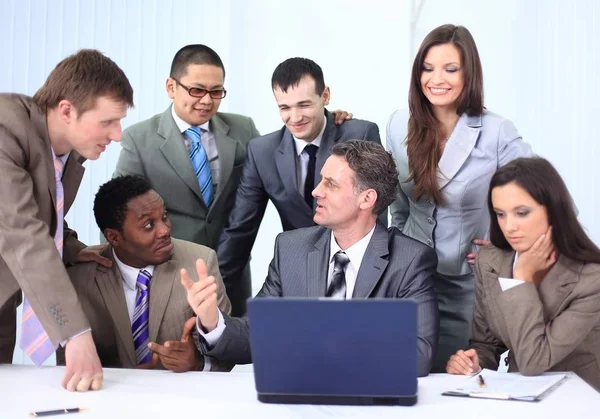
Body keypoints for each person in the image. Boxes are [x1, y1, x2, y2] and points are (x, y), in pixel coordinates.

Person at [114, 46, 350, 317]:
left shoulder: (243, 130)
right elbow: (120, 214)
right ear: (171, 87)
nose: (207, 100)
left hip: (231, 274)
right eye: (196, 90)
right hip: (168, 271)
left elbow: (284, 157)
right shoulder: (139, 139)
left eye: (216, 91)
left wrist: (331, 121)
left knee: (226, 351)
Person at [187, 140, 439, 377]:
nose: (316, 191)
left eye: (331, 184)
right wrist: (212, 321)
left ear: (367, 199)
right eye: (321, 180)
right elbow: (259, 333)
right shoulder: (291, 249)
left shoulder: (410, 260)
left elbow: (418, 354)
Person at [386, 24, 533, 371]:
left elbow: (538, 199)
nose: (437, 78)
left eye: (451, 69)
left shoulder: (497, 131)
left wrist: (502, 245)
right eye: (428, 68)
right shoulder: (397, 124)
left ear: (469, 73)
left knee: (457, 377)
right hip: (410, 278)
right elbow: (398, 202)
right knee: (406, 377)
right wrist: (401, 245)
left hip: (466, 282)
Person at [0, 49, 134, 391]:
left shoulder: (65, 151)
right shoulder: (5, 128)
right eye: (108, 122)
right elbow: (21, 233)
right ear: (66, 110)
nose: (118, 134)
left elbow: (43, 210)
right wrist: (75, 333)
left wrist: (70, 245)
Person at [216, 58, 383, 316]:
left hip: (356, 278)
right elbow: (240, 231)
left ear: (325, 96)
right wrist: (214, 293)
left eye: (304, 104)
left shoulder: (359, 134)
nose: (294, 117)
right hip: (297, 281)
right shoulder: (262, 152)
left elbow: (377, 215)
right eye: (285, 107)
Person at [446, 157, 600, 391]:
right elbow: (486, 343)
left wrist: (521, 279)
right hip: (521, 394)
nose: (509, 227)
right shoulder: (489, 261)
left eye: (521, 212)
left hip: (581, 395)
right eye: (500, 214)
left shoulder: (592, 279)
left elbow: (533, 360)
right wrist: (473, 362)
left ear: (553, 210)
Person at [63, 175, 232, 372]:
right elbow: (68, 364)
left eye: (165, 217)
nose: (164, 230)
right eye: (149, 225)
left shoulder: (200, 263)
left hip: (178, 397)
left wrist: (198, 362)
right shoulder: (79, 277)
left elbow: (229, 353)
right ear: (114, 237)